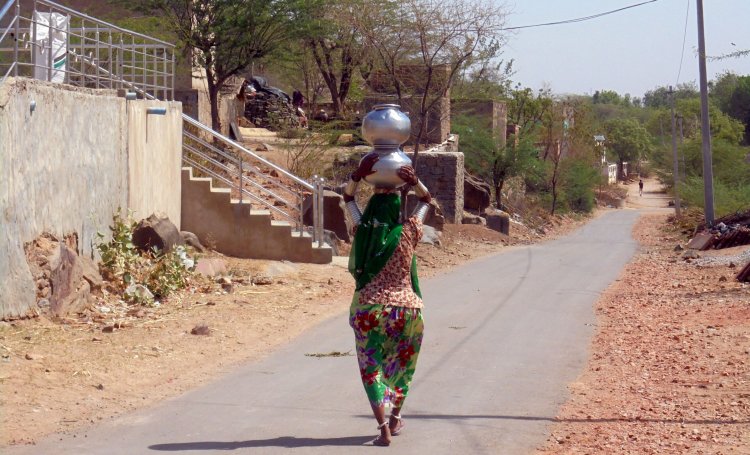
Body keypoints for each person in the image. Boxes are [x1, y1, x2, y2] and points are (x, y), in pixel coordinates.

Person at [343, 154, 432, 447]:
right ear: (396, 211)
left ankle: (382, 427)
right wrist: (414, 181)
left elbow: (348, 201)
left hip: (370, 308)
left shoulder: (363, 230)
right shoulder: (408, 231)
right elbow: (426, 202)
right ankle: (396, 418)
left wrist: (358, 177)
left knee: (372, 368)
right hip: (407, 310)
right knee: (401, 365)